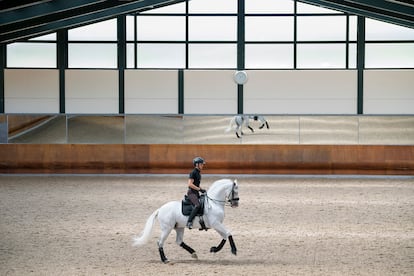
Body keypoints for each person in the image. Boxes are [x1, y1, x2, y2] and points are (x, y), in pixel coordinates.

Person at [186, 156, 206, 229]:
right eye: (201, 164)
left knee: (204, 203)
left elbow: (197, 184)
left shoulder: (198, 173)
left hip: (196, 193)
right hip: (191, 193)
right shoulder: (193, 172)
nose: (202, 165)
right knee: (197, 205)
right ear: (197, 164)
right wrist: (199, 189)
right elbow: (190, 184)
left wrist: (202, 189)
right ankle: (189, 222)